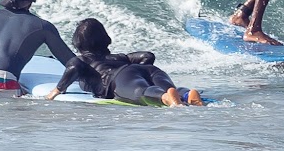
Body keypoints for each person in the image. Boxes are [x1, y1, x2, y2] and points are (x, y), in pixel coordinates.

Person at [47, 18, 204, 106]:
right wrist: (138, 71)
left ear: (78, 44)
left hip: (120, 78)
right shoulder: (119, 57)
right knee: (170, 88)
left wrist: (57, 90)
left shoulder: (83, 60)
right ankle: (187, 94)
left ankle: (166, 98)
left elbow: (74, 66)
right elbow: (147, 56)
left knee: (141, 92)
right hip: (147, 69)